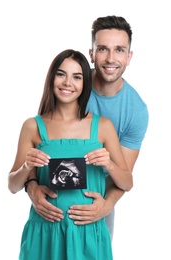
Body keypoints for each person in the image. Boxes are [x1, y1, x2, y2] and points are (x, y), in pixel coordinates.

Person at [26, 15, 149, 240]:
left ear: (129, 56)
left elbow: (122, 176)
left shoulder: (136, 111)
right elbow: (41, 141)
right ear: (91, 54)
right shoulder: (70, 86)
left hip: (97, 197)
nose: (111, 58)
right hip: (52, 199)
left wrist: (105, 207)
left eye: (119, 50)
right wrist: (31, 186)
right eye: (103, 49)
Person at [8, 49, 133, 260]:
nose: (68, 82)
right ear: (51, 78)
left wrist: (109, 164)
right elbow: (12, 185)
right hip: (44, 233)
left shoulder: (102, 126)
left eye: (77, 77)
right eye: (61, 74)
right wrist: (27, 167)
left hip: (88, 234)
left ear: (85, 84)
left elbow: (127, 182)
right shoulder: (32, 126)